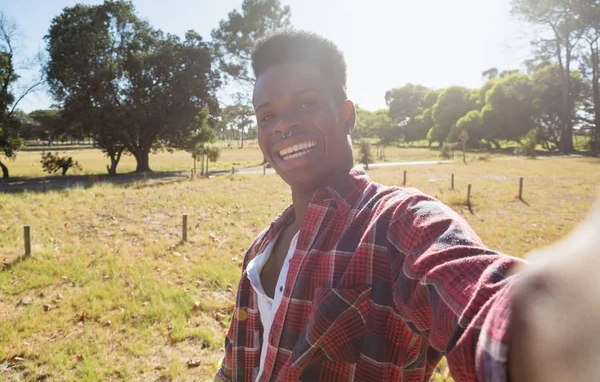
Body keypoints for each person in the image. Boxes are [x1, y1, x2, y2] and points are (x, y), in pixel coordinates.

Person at [214, 30, 600, 382]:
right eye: (268, 115)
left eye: (307, 103)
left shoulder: (398, 223)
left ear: (347, 115)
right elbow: (235, 365)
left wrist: (560, 319)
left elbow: (480, 304)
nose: (283, 125)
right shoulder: (262, 248)